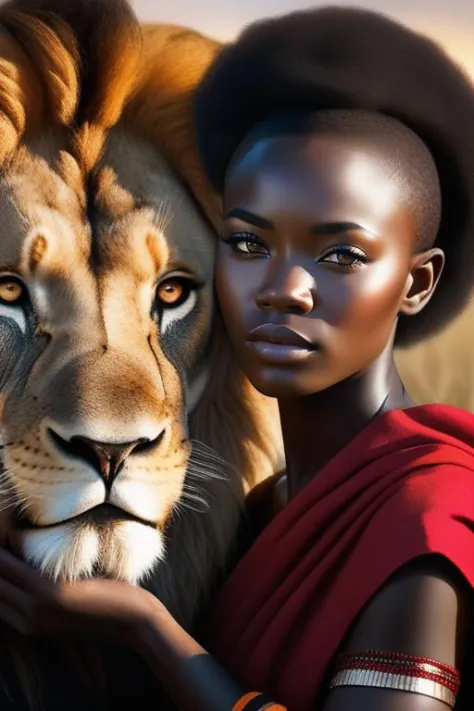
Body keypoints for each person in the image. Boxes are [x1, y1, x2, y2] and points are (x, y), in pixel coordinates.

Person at [0, 6, 474, 711]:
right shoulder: (266, 509)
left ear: (418, 282)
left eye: (171, 290)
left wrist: (147, 630)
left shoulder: (424, 521)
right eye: (250, 246)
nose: (283, 290)